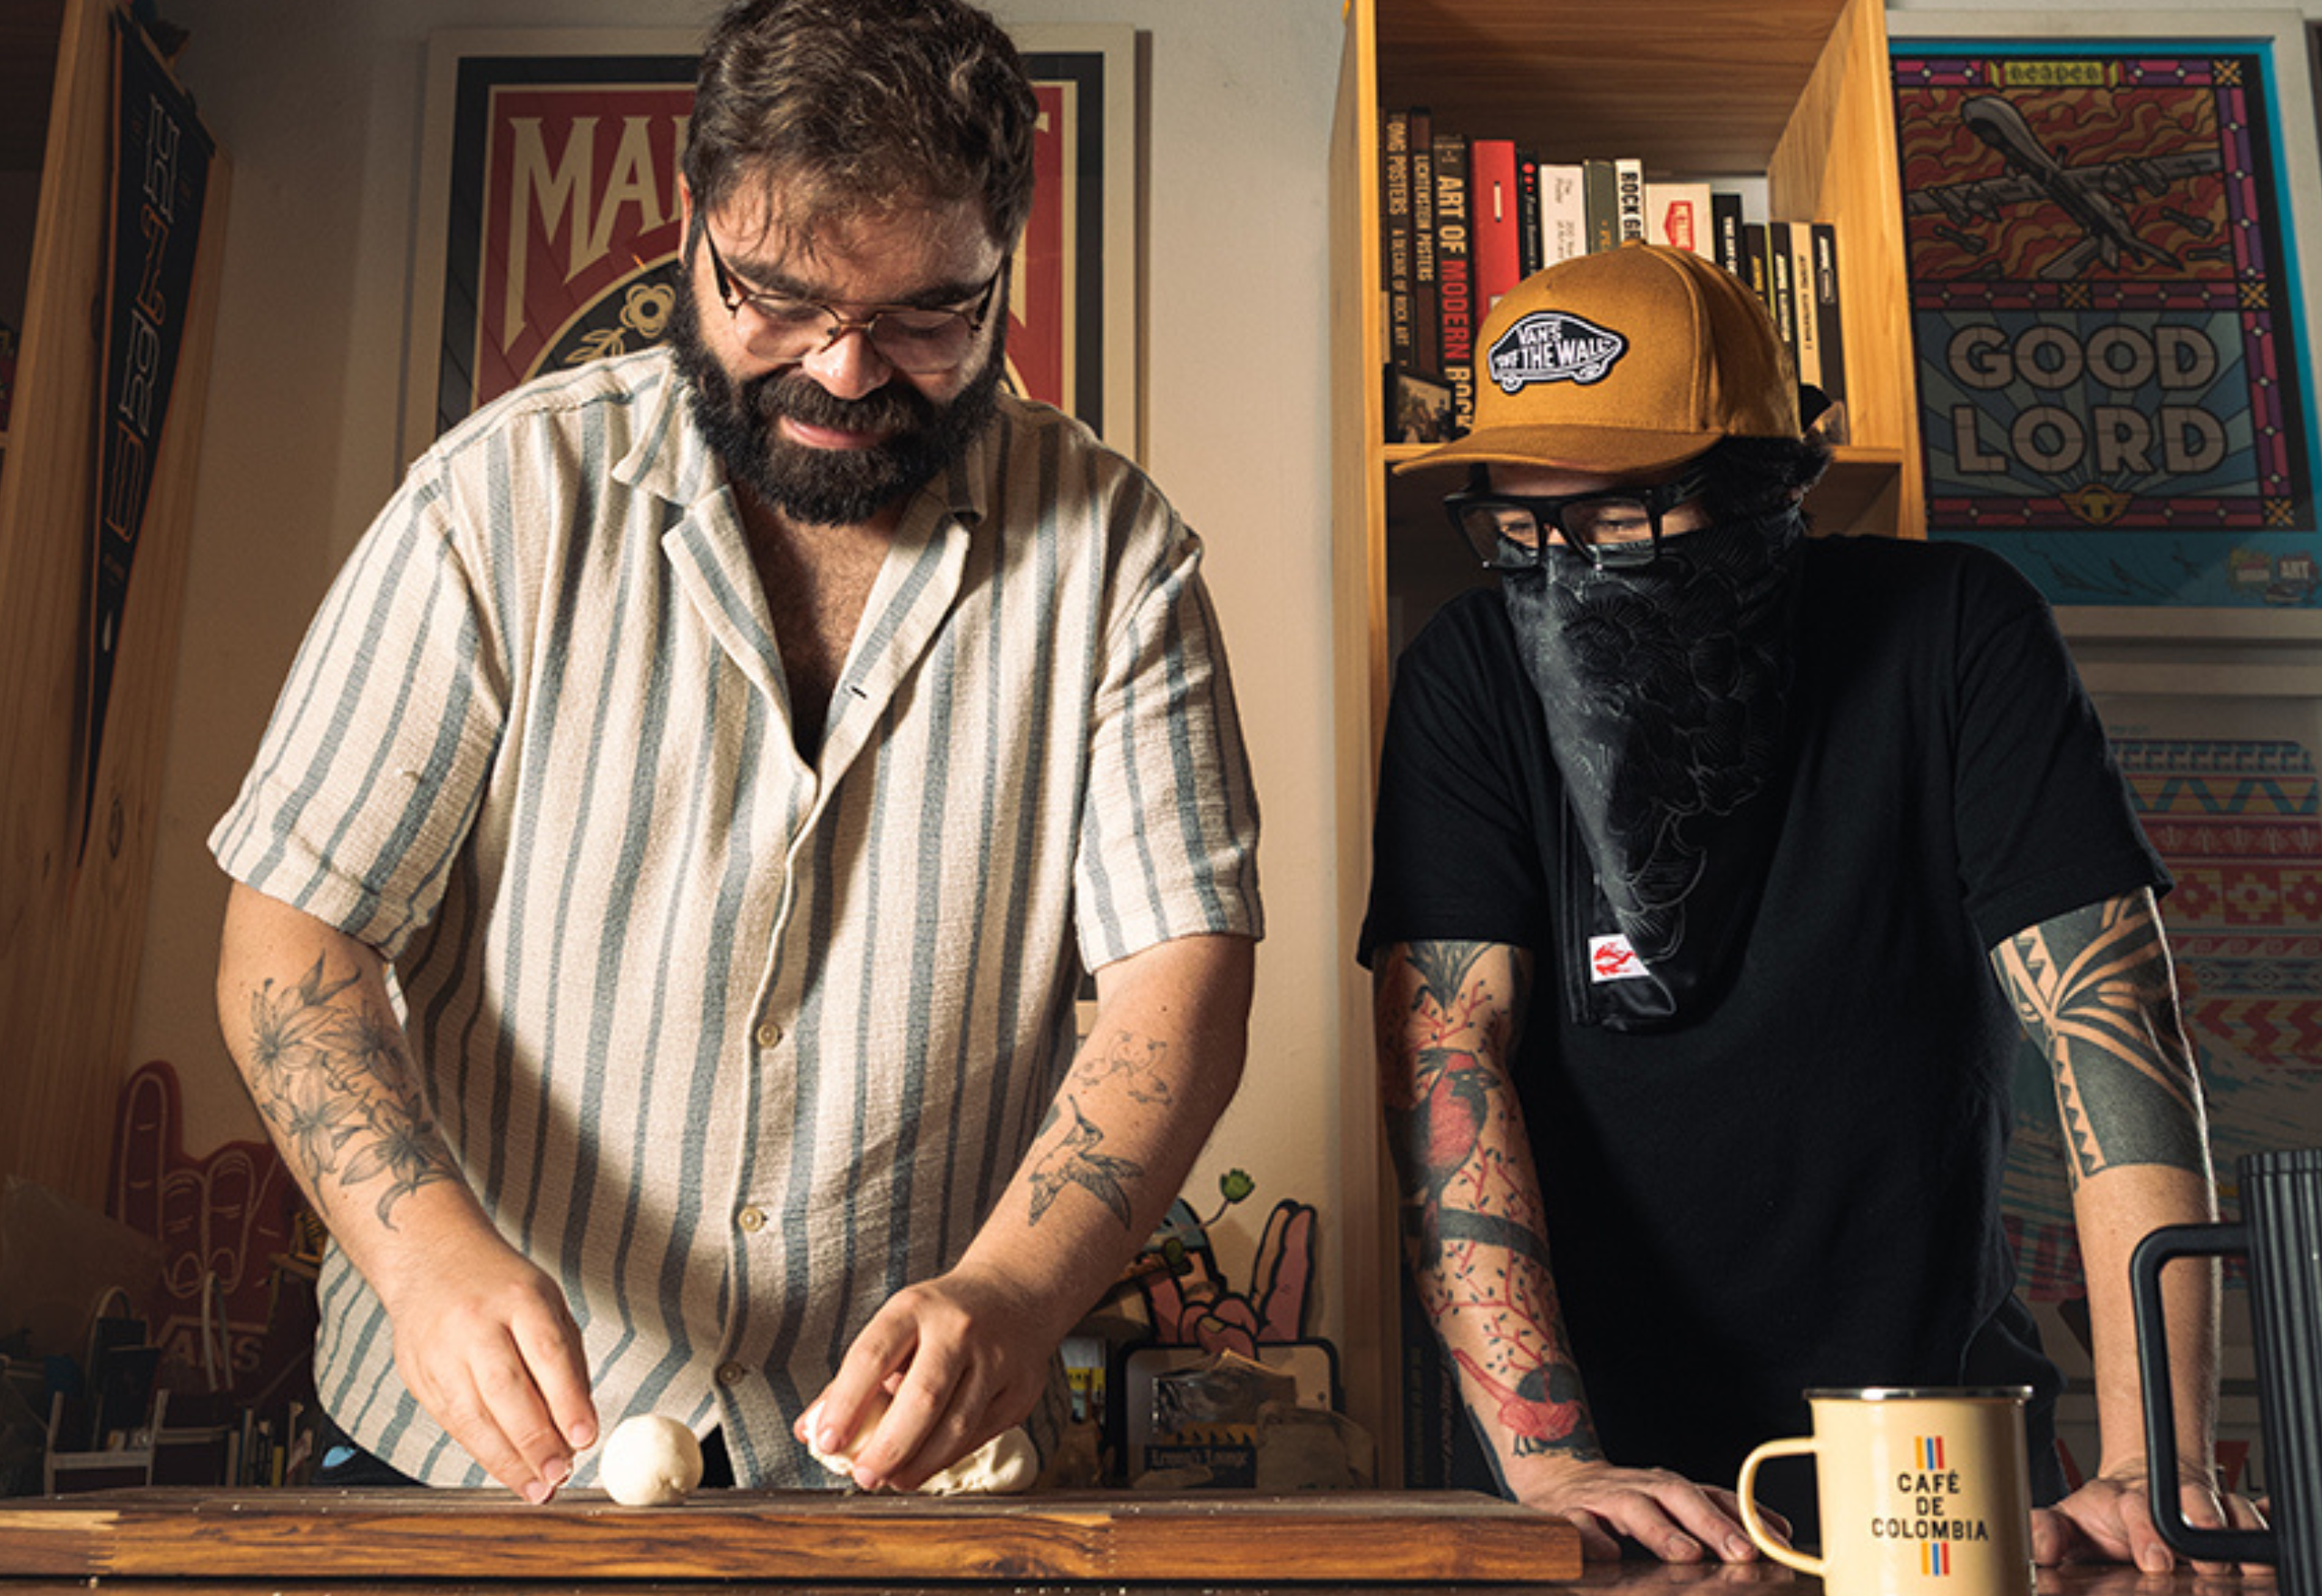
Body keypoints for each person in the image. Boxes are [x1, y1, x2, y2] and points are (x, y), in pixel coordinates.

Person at [210, 0, 1260, 1502]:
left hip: (878, 1476)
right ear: (692, 215)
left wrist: (1019, 1293)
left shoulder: (1119, 561)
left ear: (1002, 264)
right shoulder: (491, 506)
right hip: (450, 1455)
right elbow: (289, 938)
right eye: (778, 298)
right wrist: (424, 1257)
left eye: (926, 317)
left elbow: (1181, 994)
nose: (847, 372)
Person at [1359, 243, 2261, 1566]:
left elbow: (2109, 1022)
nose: (1567, 568)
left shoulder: (1956, 633)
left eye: (1619, 516)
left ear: (1769, 489)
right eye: (1519, 524)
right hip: (1609, 1486)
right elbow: (1448, 1056)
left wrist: (2153, 1465)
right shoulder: (1469, 674)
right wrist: (1555, 1464)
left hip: (1941, 1450)